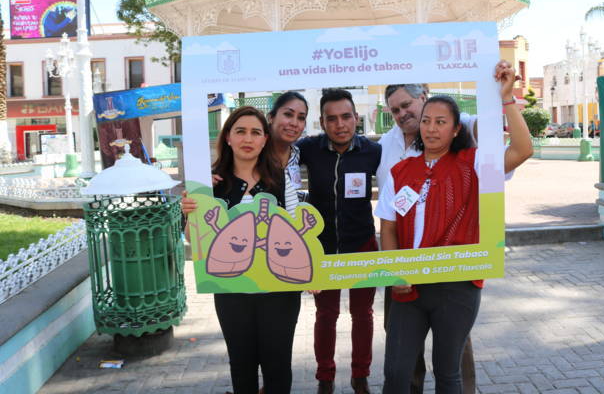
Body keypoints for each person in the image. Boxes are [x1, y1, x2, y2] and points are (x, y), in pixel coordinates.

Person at [376, 63, 533, 394]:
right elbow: (388, 228)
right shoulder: (400, 171)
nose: (431, 129)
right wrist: (395, 273)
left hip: (457, 286)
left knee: (448, 374)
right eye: (426, 121)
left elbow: (522, 150)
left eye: (441, 122)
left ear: (455, 128)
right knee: (396, 373)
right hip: (409, 287)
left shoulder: (473, 163)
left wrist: (507, 98)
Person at [181, 106, 301, 394]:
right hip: (231, 291)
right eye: (241, 131)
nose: (248, 139)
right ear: (228, 138)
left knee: (278, 367)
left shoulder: (281, 180)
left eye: (256, 132)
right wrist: (192, 210)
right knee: (242, 366)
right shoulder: (210, 184)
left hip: (279, 291)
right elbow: (194, 241)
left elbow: (296, 234)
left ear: (265, 140)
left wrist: (308, 275)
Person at [296, 88, 382, 394]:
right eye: (331, 119)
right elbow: (270, 154)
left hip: (362, 245)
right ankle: (325, 379)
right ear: (322, 122)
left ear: (356, 118)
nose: (340, 124)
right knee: (326, 315)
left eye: (346, 116)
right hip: (322, 248)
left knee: (363, 314)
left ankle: (361, 376)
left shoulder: (374, 151)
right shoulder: (308, 148)